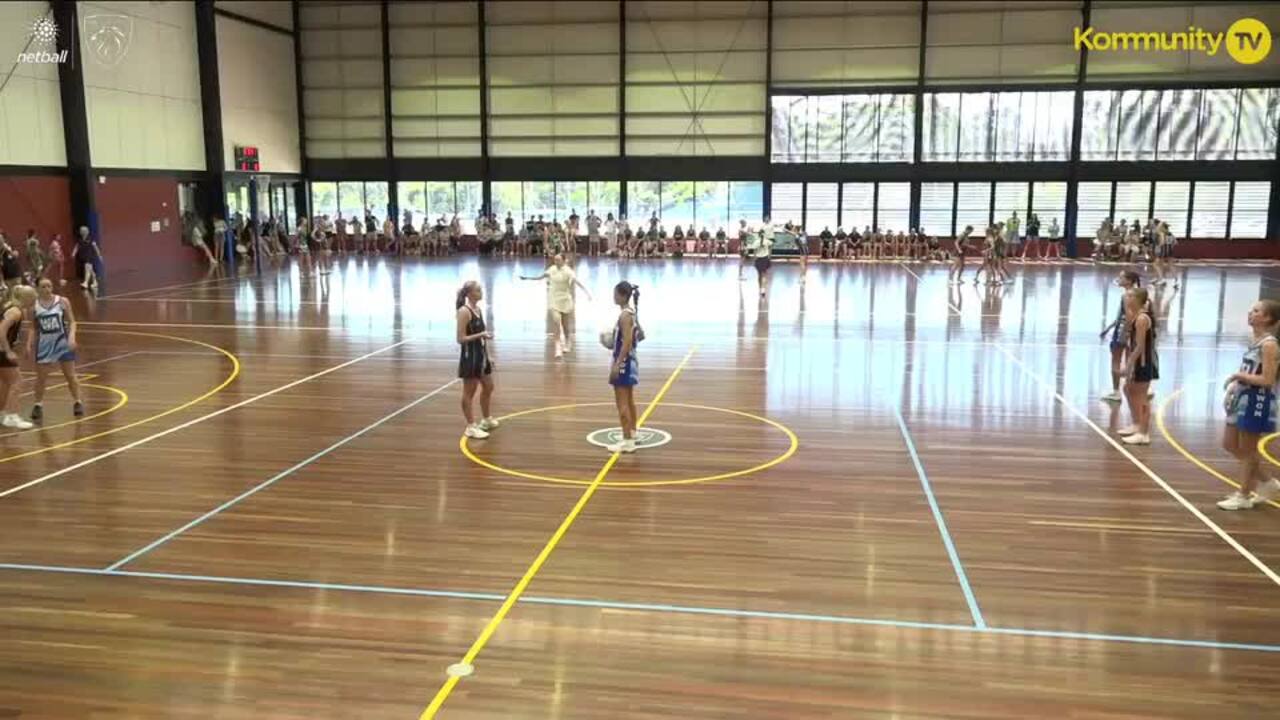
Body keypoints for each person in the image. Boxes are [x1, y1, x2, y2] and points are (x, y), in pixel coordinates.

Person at [1218, 300, 1280, 510]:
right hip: (1243, 396)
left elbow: (1268, 380)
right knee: (1229, 444)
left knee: (1247, 449)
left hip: (1258, 399)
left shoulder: (1270, 344)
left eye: (1256, 311)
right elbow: (1250, 368)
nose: (1250, 313)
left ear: (1268, 318)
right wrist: (1235, 386)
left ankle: (1243, 495)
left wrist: (1238, 375)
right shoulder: (1255, 339)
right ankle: (1268, 482)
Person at [27, 277, 83, 422]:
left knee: (70, 375)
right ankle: (37, 405)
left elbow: (72, 321)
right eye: (44, 287)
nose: (47, 289)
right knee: (41, 378)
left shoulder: (62, 301)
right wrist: (29, 343)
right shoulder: (33, 306)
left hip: (62, 342)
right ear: (38, 289)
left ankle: (78, 402)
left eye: (49, 286)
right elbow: (32, 327)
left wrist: (71, 337)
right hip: (45, 344)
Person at [521, 254, 591, 359]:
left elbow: (577, 282)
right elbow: (541, 276)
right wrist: (527, 278)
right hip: (554, 300)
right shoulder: (552, 269)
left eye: (558, 260)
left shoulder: (568, 271)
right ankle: (558, 347)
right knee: (557, 321)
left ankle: (568, 342)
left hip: (565, 300)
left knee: (565, 325)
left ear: (564, 260)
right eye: (555, 260)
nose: (556, 261)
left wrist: (587, 293)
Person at [456, 281, 498, 439]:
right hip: (470, 357)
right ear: (469, 294)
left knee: (489, 386)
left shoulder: (478, 310)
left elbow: (482, 336)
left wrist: (488, 355)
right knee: (469, 392)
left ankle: (486, 419)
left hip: (481, 356)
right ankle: (470, 427)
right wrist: (481, 335)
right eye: (478, 290)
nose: (481, 292)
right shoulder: (464, 312)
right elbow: (460, 339)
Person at [1117, 287, 1157, 445]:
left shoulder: (1142, 319)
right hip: (1136, 360)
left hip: (1143, 362)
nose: (1127, 297)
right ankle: (1136, 423)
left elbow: (1139, 346)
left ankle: (1144, 432)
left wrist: (1129, 365)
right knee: (1128, 389)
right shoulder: (1135, 316)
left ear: (1138, 299)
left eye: (1130, 295)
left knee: (1141, 396)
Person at [607, 281, 641, 454]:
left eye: (615, 293)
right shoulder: (631, 313)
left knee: (622, 403)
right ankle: (633, 433)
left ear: (622, 295)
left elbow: (627, 342)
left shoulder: (624, 316)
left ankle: (627, 441)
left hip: (624, 362)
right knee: (629, 400)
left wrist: (617, 364)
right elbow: (637, 337)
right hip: (631, 361)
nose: (613, 296)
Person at [0, 285, 35, 430]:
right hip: (1, 351)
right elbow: (1, 330)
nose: (35, 298)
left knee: (5, 382)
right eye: (33, 296)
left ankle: (2, 413)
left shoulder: (14, 308)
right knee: (17, 381)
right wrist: (7, 351)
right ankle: (12, 416)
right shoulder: (15, 312)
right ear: (26, 298)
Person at [72, 226, 101, 293]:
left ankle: (85, 283)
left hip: (90, 256)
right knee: (90, 270)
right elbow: (77, 246)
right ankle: (95, 282)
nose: (83, 232)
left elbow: (95, 247)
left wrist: (99, 255)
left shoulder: (91, 239)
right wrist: (73, 253)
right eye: (82, 231)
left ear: (87, 231)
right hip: (84, 256)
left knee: (87, 268)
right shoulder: (80, 240)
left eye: (85, 231)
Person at [751, 223, 774, 297]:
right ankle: (763, 289)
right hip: (765, 258)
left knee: (759, 275)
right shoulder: (766, 241)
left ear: (758, 234)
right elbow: (771, 245)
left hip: (758, 259)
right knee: (764, 275)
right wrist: (769, 255)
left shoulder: (756, 242)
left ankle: (760, 288)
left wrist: (754, 259)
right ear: (764, 234)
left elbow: (754, 251)